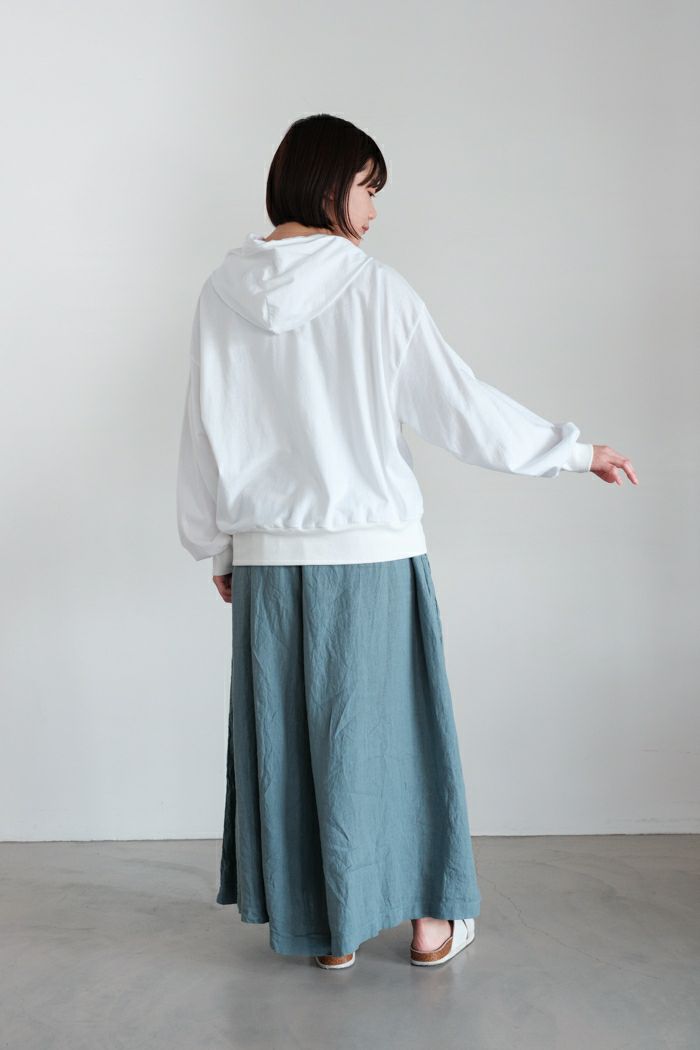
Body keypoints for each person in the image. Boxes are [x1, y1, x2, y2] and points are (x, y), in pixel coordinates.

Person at [176, 113, 638, 971]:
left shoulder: (220, 292)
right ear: (329, 185)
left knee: (297, 747)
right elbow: (457, 405)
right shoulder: (372, 287)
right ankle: (429, 923)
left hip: (269, 560)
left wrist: (220, 545)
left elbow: (207, 427)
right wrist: (574, 452)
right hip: (370, 554)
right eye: (367, 188)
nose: (373, 210)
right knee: (399, 741)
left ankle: (328, 931)